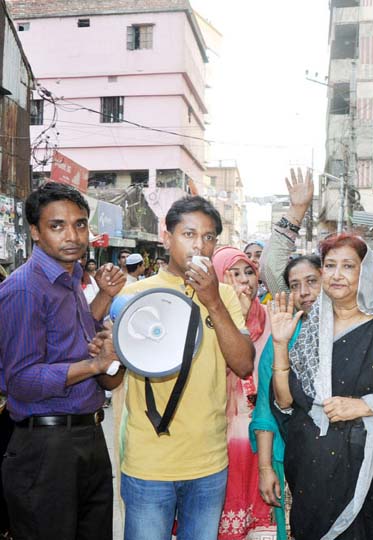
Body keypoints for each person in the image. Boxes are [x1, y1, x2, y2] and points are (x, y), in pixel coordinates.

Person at [269, 233, 373, 539]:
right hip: (315, 467)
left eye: (347, 266)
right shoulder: (312, 327)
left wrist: (364, 405)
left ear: (365, 272)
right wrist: (280, 345)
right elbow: (285, 401)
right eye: (330, 265)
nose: (336, 274)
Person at [119, 196, 255, 540]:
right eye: (189, 234)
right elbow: (109, 376)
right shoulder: (135, 295)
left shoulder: (224, 295)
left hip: (209, 462)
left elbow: (242, 364)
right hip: (149, 462)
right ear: (167, 237)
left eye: (209, 237)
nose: (200, 245)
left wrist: (211, 300)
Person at [0, 182, 126, 540]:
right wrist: (95, 366)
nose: (72, 235)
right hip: (45, 447)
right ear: (36, 232)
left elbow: (74, 340)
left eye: (80, 224)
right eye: (57, 226)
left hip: (86, 435)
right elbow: (20, 380)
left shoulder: (69, 278)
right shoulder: (25, 289)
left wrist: (104, 297)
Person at [251, 167, 318, 540]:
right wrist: (296, 213)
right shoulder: (287, 329)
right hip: (287, 456)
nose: (305, 291)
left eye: (313, 281)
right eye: (296, 285)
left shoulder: (353, 331)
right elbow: (265, 409)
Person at [211, 246, 274, 540]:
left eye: (249, 272)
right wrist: (237, 322)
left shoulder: (272, 319)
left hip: (264, 433)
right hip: (221, 435)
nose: (244, 280)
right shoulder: (210, 321)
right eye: (233, 273)